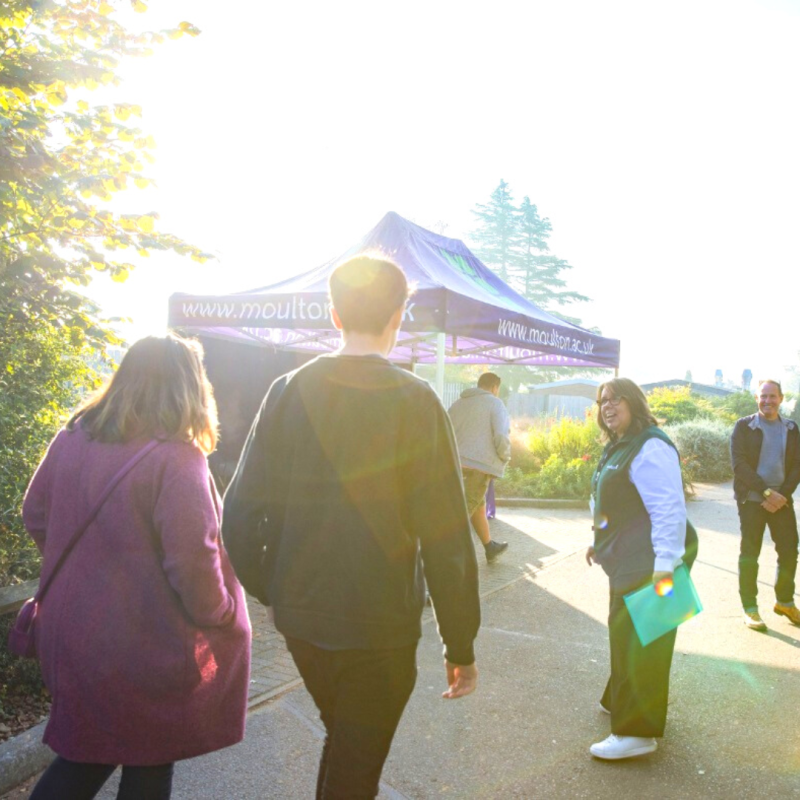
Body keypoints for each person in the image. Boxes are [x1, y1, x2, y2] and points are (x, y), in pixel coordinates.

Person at [222, 255, 480, 800]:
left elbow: (239, 515)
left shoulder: (287, 390)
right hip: (379, 625)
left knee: (346, 747)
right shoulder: (416, 400)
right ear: (399, 315)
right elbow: (447, 538)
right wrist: (460, 643)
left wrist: (276, 589)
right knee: (355, 768)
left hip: (303, 619)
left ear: (334, 314)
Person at [23, 335, 251, 800]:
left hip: (72, 631)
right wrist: (223, 612)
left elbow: (35, 514)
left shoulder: (72, 437)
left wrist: (87, 571)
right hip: (145, 640)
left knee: (87, 750)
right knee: (148, 758)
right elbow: (193, 562)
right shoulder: (178, 458)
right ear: (192, 386)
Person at [586, 378, 697, 761]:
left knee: (643, 638)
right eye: (603, 401)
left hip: (651, 557)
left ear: (634, 402)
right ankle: (620, 700)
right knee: (630, 632)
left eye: (616, 399)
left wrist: (665, 566)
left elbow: (669, 509)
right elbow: (610, 499)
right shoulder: (621, 445)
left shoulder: (650, 446)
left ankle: (636, 733)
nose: (608, 406)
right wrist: (598, 539)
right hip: (631, 554)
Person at [730, 379, 800, 631]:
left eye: (772, 396)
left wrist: (782, 495)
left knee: (790, 550)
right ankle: (750, 609)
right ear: (756, 399)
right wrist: (767, 492)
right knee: (750, 553)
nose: (767, 401)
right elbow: (739, 466)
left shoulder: (792, 429)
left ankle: (784, 602)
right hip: (752, 500)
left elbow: (796, 466)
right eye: (763, 396)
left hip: (781, 500)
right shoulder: (744, 427)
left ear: (781, 398)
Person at [447, 372, 511, 562]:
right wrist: (504, 456)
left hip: (454, 465)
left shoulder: (457, 404)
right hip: (478, 469)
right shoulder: (495, 403)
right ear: (494, 387)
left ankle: (489, 546)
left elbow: (444, 432)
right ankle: (439, 568)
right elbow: (501, 435)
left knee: (478, 505)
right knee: (458, 519)